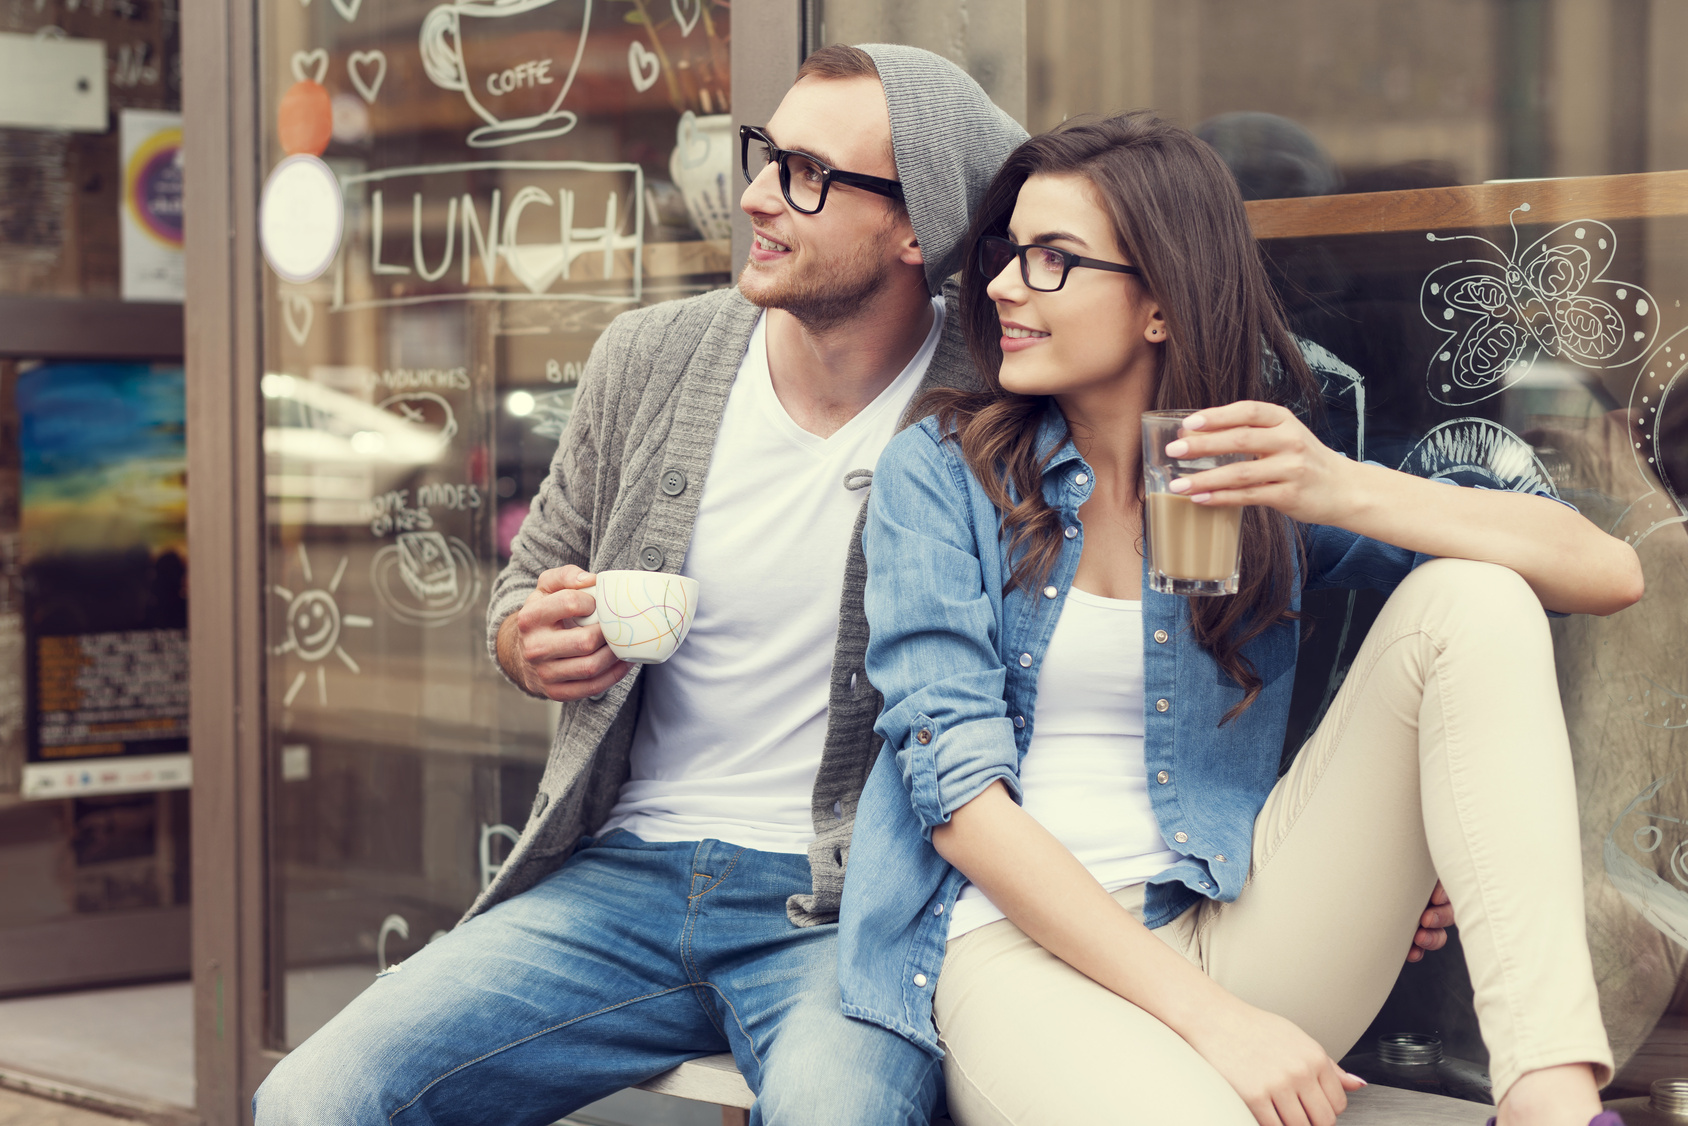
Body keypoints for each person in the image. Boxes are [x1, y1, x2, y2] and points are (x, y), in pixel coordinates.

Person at [254, 45, 1027, 1126]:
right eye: (766, 154)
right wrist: (535, 640)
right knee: (314, 1098)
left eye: (807, 174)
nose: (756, 194)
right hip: (620, 877)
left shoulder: (987, 414)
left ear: (916, 226)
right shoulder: (651, 355)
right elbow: (520, 594)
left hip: (846, 911)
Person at [839, 112, 1645, 1126]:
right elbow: (958, 800)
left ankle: (1548, 1101)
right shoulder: (945, 473)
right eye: (1008, 253)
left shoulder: (1225, 479)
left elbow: (1603, 571)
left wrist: (1336, 486)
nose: (1001, 285)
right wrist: (1218, 1022)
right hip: (1012, 958)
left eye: (1051, 260)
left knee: (1471, 598)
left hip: (1228, 924)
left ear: (1160, 306)